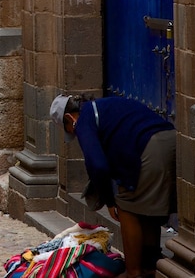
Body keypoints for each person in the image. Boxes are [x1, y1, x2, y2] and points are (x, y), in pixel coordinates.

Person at [51, 94, 177, 278]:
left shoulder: (84, 120)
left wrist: (110, 201)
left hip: (149, 150)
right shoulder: (103, 106)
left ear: (70, 118)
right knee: (147, 209)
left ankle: (133, 272)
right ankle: (150, 266)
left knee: (126, 206)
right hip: (170, 142)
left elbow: (97, 165)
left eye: (69, 129)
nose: (74, 134)